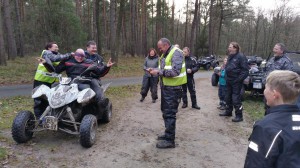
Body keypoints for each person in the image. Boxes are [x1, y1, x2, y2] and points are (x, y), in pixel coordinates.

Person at [244, 70, 300, 168]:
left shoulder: (266, 127)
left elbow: (256, 163)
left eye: (265, 88)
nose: (264, 91)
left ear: (275, 94)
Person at [41, 48, 114, 111]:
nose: (80, 57)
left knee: (89, 89)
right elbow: (56, 70)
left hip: (84, 81)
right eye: (78, 55)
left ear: (84, 56)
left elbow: (100, 71)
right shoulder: (67, 61)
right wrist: (46, 63)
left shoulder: (89, 62)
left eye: (82, 56)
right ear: (74, 54)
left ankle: (98, 106)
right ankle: (55, 108)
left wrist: (107, 66)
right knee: (55, 86)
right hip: (70, 82)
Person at [148, 38, 187, 148]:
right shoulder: (166, 54)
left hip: (174, 89)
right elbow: (165, 68)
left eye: (160, 48)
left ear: (166, 45)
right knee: (165, 112)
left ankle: (170, 141)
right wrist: (155, 69)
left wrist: (158, 72)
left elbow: (175, 71)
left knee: (170, 113)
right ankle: (167, 134)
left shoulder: (177, 53)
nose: (159, 50)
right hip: (166, 88)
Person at [33, 42, 72, 119]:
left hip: (50, 82)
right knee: (39, 100)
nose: (57, 48)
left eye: (58, 47)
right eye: (55, 47)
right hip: (40, 80)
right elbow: (55, 59)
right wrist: (69, 54)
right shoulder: (46, 53)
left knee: (49, 100)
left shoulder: (57, 55)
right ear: (49, 48)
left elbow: (59, 66)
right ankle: (39, 118)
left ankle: (47, 117)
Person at [219, 42, 249, 122]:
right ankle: (228, 111)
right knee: (227, 97)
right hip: (228, 80)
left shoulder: (241, 57)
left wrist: (238, 80)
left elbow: (245, 71)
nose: (229, 48)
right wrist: (225, 76)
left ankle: (239, 115)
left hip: (236, 82)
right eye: (229, 47)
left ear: (235, 48)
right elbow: (227, 67)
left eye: (230, 47)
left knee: (236, 99)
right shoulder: (230, 56)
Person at [264, 43, 293, 115]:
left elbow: (287, 78)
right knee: (267, 106)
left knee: (276, 109)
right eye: (274, 48)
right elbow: (265, 70)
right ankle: (267, 119)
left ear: (281, 51)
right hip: (268, 88)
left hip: (278, 91)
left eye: (276, 49)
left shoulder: (287, 61)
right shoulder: (272, 59)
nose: (274, 50)